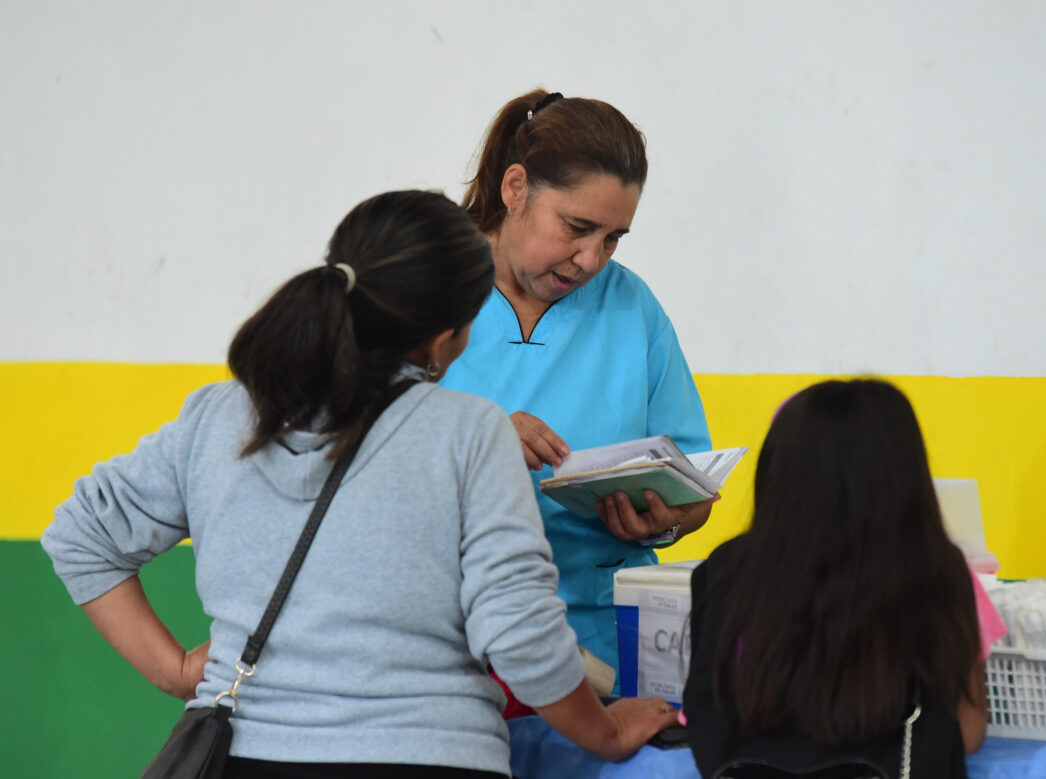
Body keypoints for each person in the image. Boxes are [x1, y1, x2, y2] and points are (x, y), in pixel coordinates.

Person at [41, 190, 678, 778]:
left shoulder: (221, 415)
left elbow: (79, 535)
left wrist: (178, 671)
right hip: (425, 757)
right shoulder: (468, 432)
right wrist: (607, 733)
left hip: (242, 756)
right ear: (445, 337)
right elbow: (518, 632)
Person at [441, 89, 715, 676]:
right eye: (577, 227)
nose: (591, 260)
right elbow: (354, 460)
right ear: (515, 188)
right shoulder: (429, 291)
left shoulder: (631, 307)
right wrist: (475, 438)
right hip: (451, 636)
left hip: (606, 637)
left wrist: (664, 520)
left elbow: (694, 485)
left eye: (612, 238)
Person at [683, 379, 987, 778]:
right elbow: (968, 731)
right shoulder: (936, 569)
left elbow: (703, 707)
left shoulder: (727, 568)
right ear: (904, 476)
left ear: (778, 470)